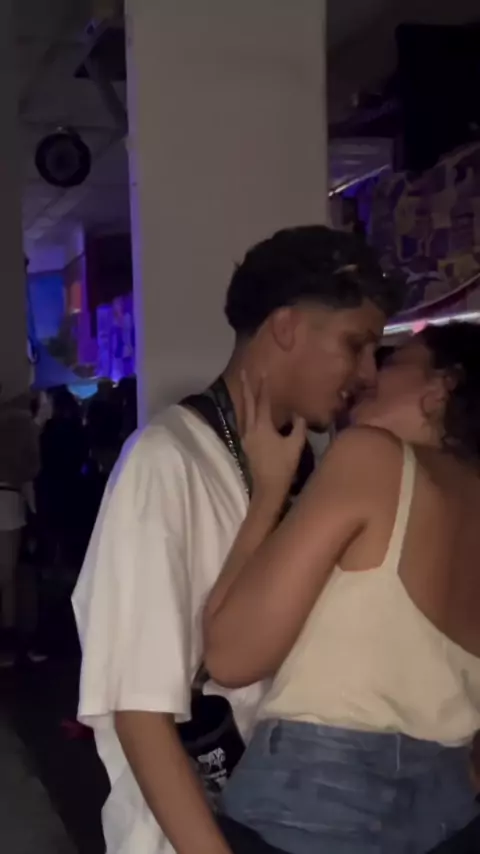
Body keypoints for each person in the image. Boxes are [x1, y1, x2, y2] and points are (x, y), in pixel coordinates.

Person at [72, 225, 401, 854]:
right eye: (355, 345)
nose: (367, 374)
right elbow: (140, 714)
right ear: (286, 327)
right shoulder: (166, 462)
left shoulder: (305, 462)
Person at [203, 322, 480, 854]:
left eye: (392, 358)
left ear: (442, 386)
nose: (367, 373)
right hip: (449, 812)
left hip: (315, 805)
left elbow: (230, 656)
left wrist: (268, 491)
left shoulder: (372, 458)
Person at [0, 386, 40, 667]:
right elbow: (31, 469)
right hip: (8, 498)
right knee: (7, 575)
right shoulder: (21, 424)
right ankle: (10, 642)